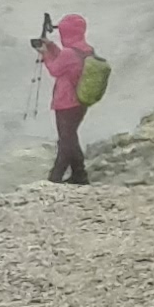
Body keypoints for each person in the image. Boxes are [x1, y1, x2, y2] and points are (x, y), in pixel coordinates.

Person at [34, 11, 99, 184]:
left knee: (65, 141)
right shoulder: (86, 49)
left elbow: (55, 69)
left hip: (66, 103)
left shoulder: (69, 53)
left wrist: (45, 53)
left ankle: (55, 179)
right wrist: (51, 47)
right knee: (70, 138)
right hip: (81, 100)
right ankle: (79, 174)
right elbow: (66, 61)